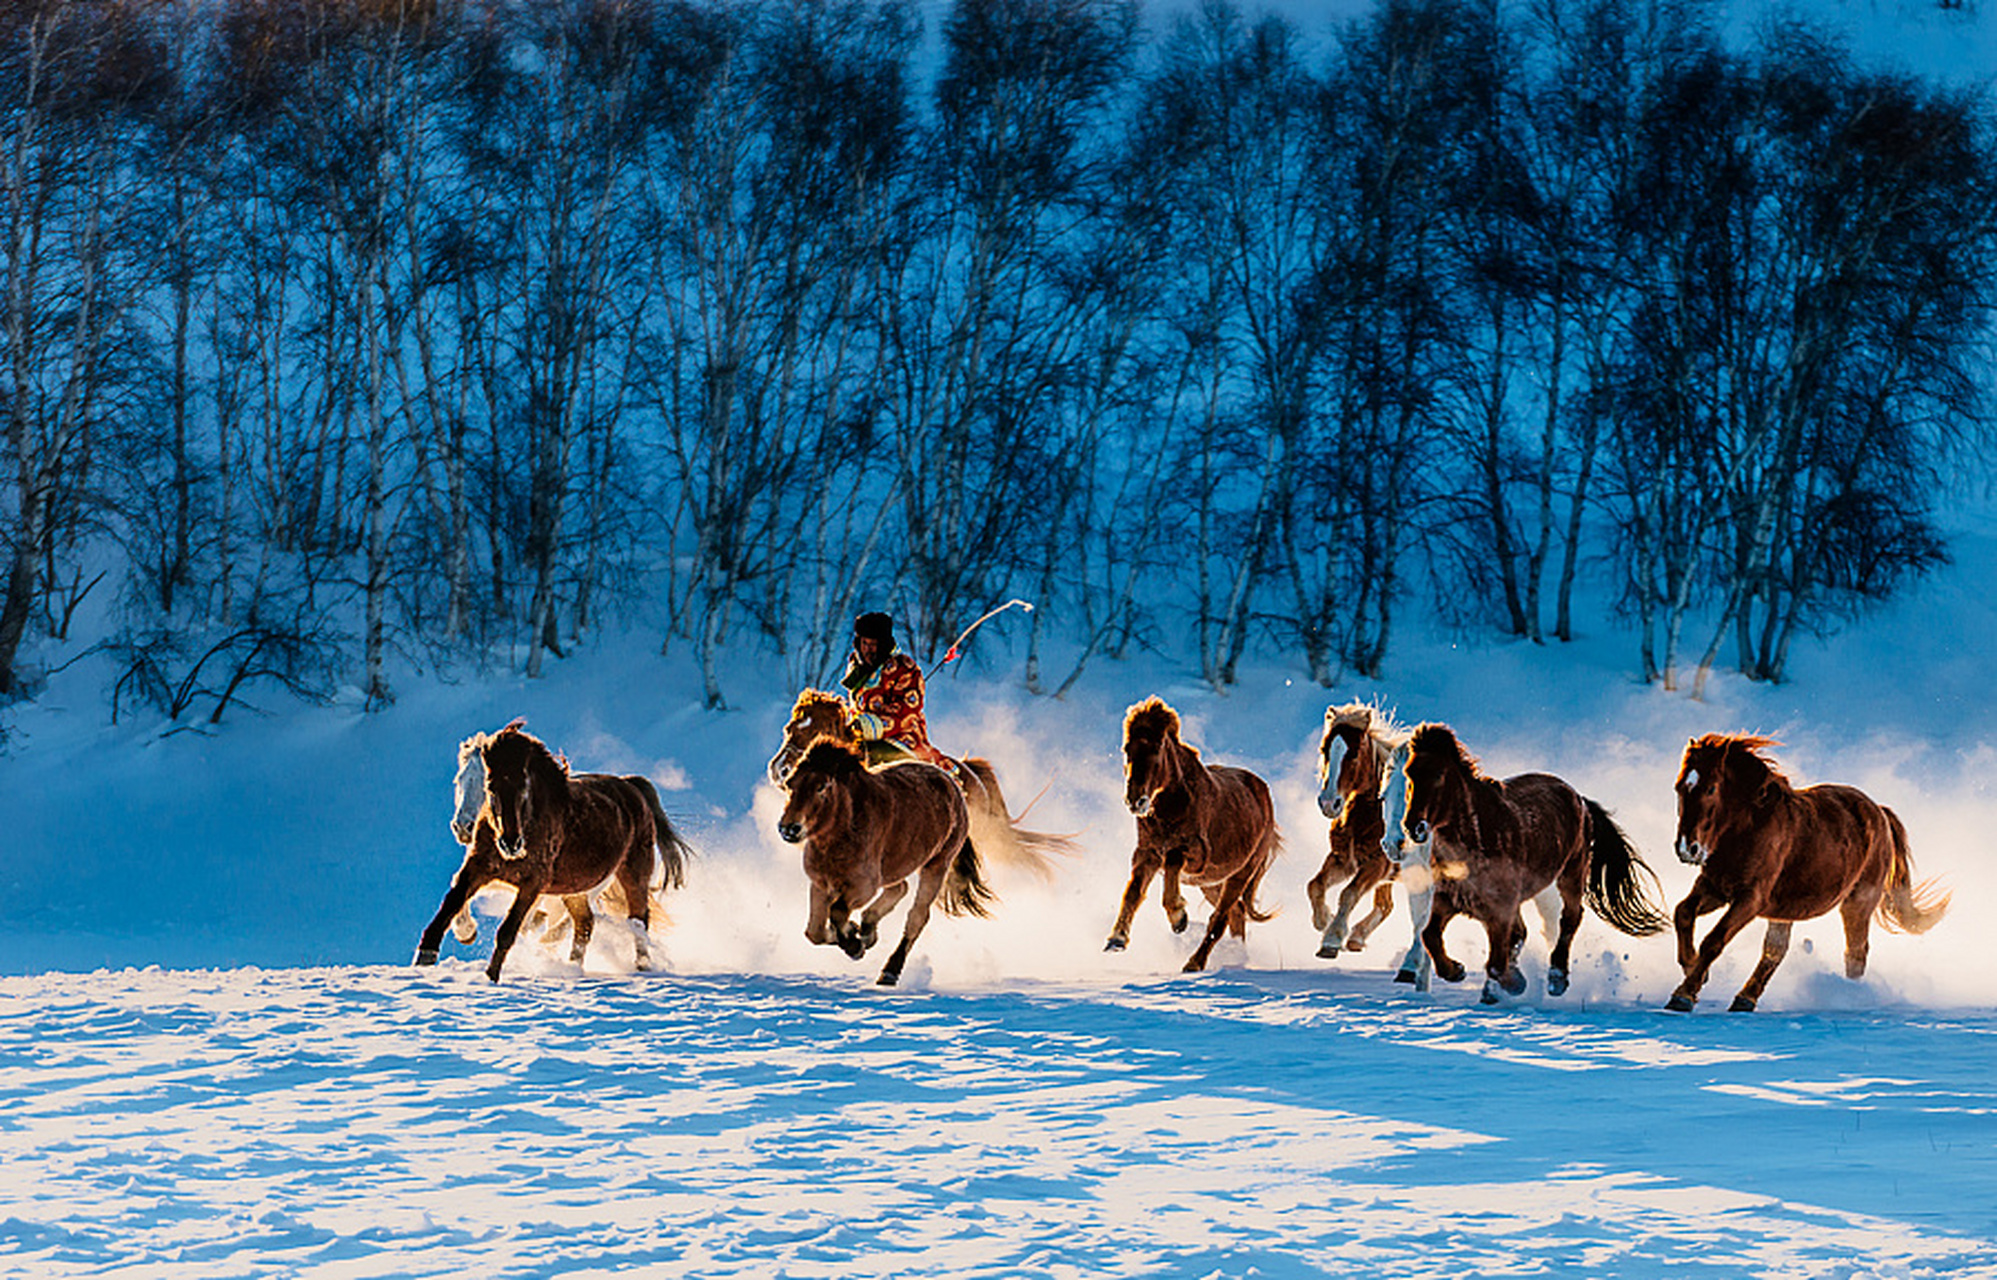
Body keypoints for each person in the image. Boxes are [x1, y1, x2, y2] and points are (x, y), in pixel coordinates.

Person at [840, 611, 952, 769]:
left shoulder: (905, 668)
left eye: (873, 644)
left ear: (883, 644)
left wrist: (872, 726)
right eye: (865, 643)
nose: (868, 650)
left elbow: (908, 711)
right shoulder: (855, 665)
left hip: (900, 738)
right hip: (861, 738)